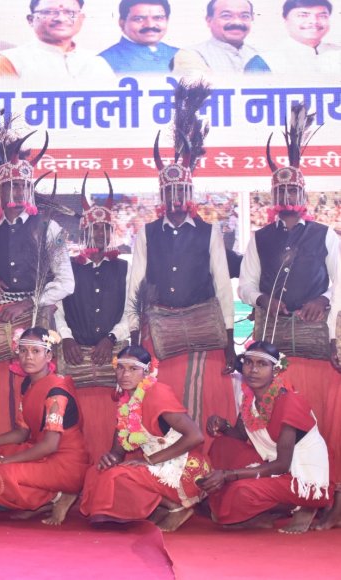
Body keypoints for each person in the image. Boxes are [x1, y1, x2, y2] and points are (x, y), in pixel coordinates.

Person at [238, 104, 341, 530]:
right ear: (273, 198)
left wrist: (324, 299)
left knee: (325, 422)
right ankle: (293, 494)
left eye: (293, 192)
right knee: (281, 426)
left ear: (304, 196)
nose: (287, 200)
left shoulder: (325, 234)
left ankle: (331, 498)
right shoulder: (260, 238)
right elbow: (245, 287)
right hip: (276, 349)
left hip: (315, 349)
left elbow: (339, 280)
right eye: (281, 193)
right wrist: (263, 297)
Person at [125, 80, 236, 436]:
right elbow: (135, 286)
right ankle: (165, 461)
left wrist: (230, 341)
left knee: (203, 401)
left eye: (180, 191)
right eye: (168, 191)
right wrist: (133, 336)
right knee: (161, 402)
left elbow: (222, 286)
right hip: (159, 332)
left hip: (204, 329)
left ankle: (203, 463)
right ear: (162, 194)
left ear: (189, 193)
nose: (174, 198)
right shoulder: (146, 232)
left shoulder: (209, 231)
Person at [0, 115, 74, 436]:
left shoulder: (50, 228)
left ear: (29, 188)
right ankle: (0, 442)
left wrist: (29, 303)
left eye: (20, 185)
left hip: (37, 316)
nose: (14, 191)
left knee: (36, 385)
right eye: (8, 185)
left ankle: (39, 443)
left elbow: (66, 282)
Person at [202, 342, 332, 533]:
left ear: (276, 370)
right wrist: (223, 425)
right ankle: (258, 511)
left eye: (262, 364)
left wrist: (229, 475)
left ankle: (296, 506)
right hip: (273, 465)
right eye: (248, 362)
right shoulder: (249, 398)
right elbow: (239, 435)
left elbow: (282, 465)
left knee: (240, 492)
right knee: (222, 445)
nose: (253, 370)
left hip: (301, 478)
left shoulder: (289, 402)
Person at [0, 327, 90, 526]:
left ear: (48, 355)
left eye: (35, 351)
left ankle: (59, 496)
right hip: (41, 451)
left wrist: (7, 461)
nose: (28, 357)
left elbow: (50, 445)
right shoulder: (28, 384)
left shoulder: (57, 392)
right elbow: (22, 432)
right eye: (23, 351)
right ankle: (42, 501)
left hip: (65, 463)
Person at [79, 345, 211, 532]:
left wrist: (149, 460)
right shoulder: (126, 400)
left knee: (117, 476)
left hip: (183, 466)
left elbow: (196, 436)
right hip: (156, 464)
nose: (125, 374)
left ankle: (176, 507)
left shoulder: (158, 393)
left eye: (133, 368)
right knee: (97, 472)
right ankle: (161, 507)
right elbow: (118, 450)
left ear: (147, 371)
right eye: (120, 368)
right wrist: (110, 458)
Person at [55, 174, 129, 464]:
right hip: (77, 365)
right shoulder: (68, 267)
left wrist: (111, 338)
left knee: (111, 423)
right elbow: (56, 309)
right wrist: (66, 338)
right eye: (94, 228)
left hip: (111, 367)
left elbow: (131, 312)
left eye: (105, 228)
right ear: (84, 230)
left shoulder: (123, 268)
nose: (100, 233)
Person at [0, 0, 116, 85]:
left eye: (70, 12)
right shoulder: (11, 60)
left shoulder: (97, 61)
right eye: (49, 12)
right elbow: (0, 114)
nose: (61, 18)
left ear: (81, 19)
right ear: (31, 20)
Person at [172, 0, 270, 76]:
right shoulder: (191, 54)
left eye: (244, 16)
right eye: (226, 16)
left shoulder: (262, 55)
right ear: (209, 20)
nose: (237, 22)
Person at [99, 0, 179, 74]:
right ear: (122, 23)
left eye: (158, 18)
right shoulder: (104, 62)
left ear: (167, 21)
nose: (150, 25)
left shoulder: (179, 54)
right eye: (139, 19)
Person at [262, 0, 340, 76]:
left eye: (322, 16)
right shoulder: (268, 61)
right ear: (285, 19)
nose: (314, 21)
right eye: (303, 15)